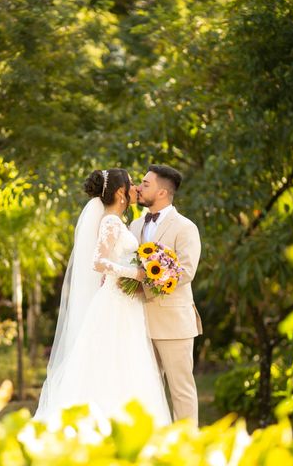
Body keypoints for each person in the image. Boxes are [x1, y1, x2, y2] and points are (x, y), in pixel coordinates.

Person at [34, 168, 171, 425]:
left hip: (125, 302)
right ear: (120, 192)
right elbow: (99, 262)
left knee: (126, 361)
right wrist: (136, 273)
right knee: (112, 360)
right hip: (114, 302)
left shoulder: (118, 222)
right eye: (131, 185)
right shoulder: (110, 221)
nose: (135, 189)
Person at [129, 164, 202, 423]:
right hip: (137, 322)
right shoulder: (134, 226)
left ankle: (187, 451)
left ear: (162, 192)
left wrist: (143, 284)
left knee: (181, 390)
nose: (138, 187)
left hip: (173, 323)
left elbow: (185, 271)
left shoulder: (185, 227)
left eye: (145, 184)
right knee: (147, 389)